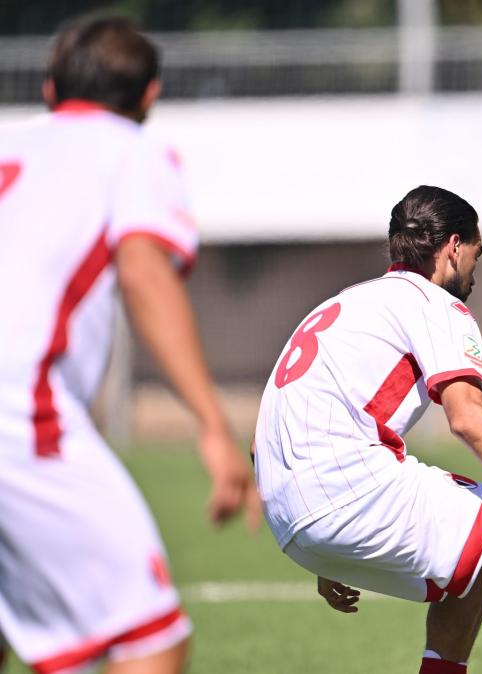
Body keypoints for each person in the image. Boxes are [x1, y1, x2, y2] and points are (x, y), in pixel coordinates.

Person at [253, 185, 482, 674]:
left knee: (480, 552)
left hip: (286, 512)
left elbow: (272, 428)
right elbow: (466, 417)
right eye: (476, 254)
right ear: (454, 247)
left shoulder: (343, 305)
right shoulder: (435, 304)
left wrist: (323, 544)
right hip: (347, 493)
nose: (474, 270)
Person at [0, 16, 258, 674]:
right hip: (18, 411)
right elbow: (144, 272)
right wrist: (211, 423)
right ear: (149, 96)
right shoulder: (132, 152)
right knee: (149, 637)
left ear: (50, 88)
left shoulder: (9, 143)